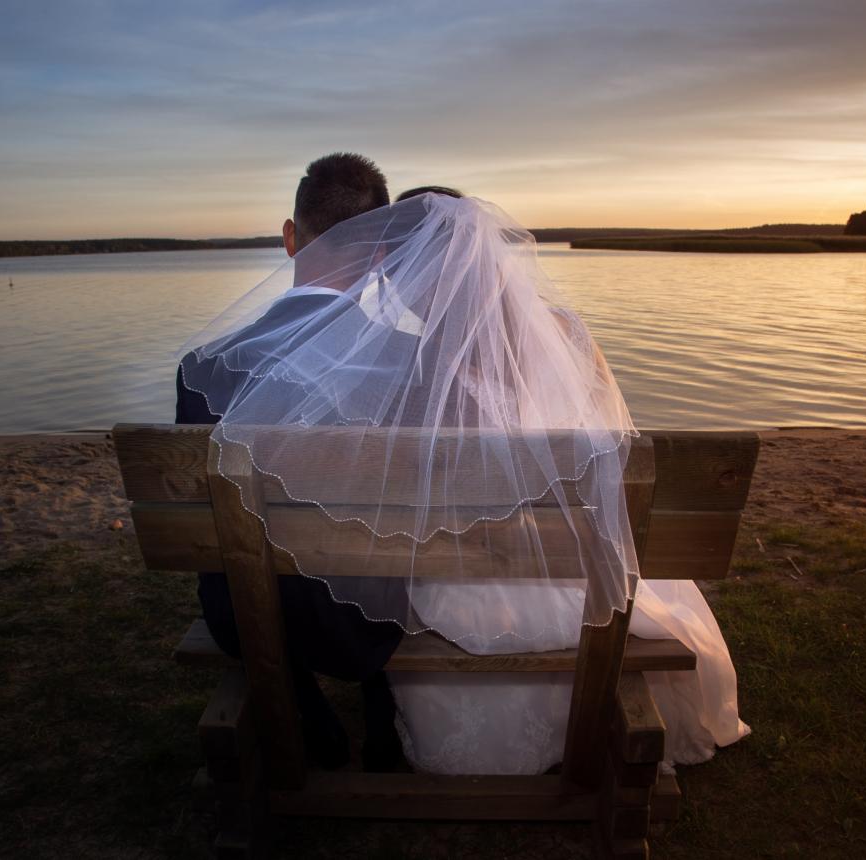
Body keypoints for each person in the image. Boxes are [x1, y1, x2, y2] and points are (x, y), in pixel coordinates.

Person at [183, 184, 749, 777]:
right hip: (573, 561)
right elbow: (608, 448)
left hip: (475, 570)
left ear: (404, 267)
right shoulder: (564, 334)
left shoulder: (421, 365)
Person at [175, 152, 404, 771]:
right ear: (381, 253)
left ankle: (304, 716)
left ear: (289, 237)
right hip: (371, 618)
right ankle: (386, 722)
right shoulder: (413, 364)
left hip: (245, 613)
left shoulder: (204, 369)